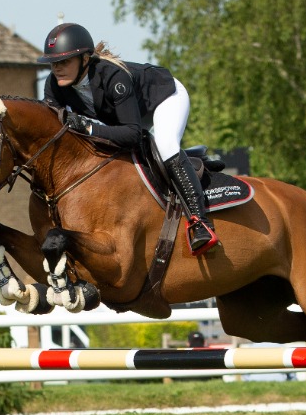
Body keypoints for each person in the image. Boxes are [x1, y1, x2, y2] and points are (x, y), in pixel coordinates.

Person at [37, 22, 218, 255]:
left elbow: (132, 133)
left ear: (84, 59)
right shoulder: (55, 84)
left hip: (164, 99)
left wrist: (89, 128)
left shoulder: (114, 78)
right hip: (129, 114)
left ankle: (200, 221)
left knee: (165, 145)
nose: (57, 69)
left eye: (64, 62)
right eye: (53, 64)